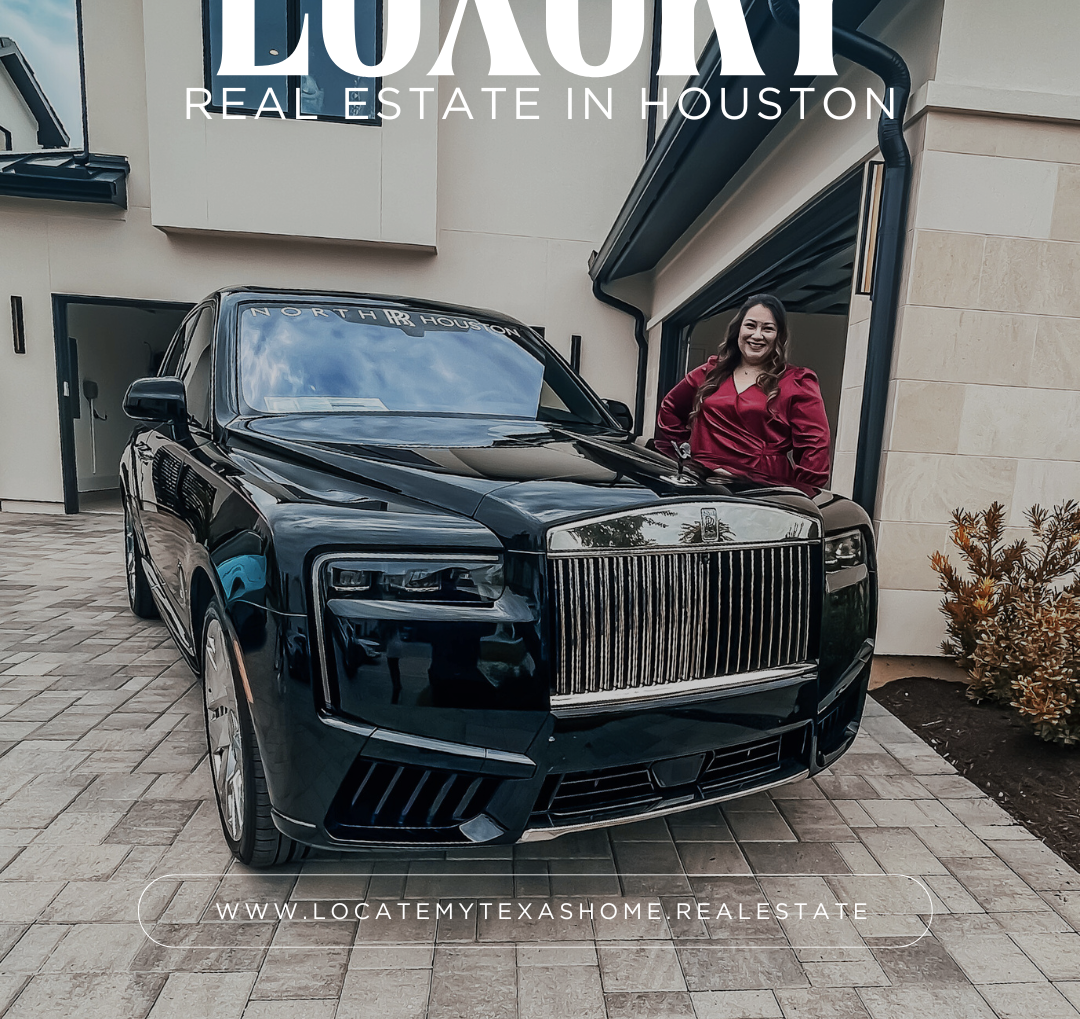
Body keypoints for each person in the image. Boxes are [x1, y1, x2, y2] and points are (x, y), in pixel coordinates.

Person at [655, 294, 831, 489]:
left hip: (762, 489)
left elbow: (815, 449)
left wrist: (800, 495)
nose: (757, 335)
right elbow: (670, 409)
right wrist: (685, 458)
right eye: (750, 325)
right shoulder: (710, 372)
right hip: (702, 483)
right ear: (738, 329)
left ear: (779, 336)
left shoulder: (797, 382)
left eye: (768, 328)